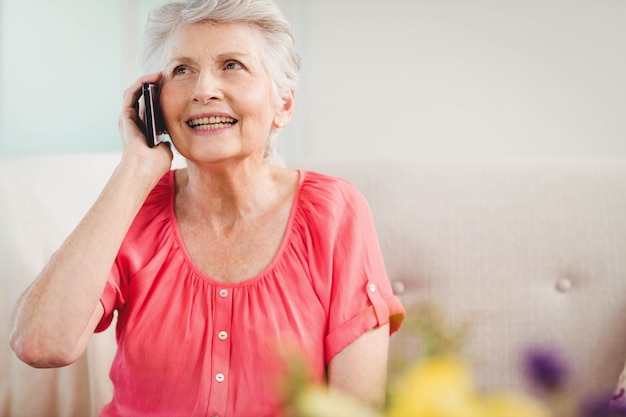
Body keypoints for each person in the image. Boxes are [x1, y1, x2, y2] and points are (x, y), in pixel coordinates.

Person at [9, 0, 405, 415]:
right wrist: (135, 169)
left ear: (283, 104)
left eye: (232, 65)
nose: (203, 90)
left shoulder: (335, 212)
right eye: (182, 70)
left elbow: (357, 407)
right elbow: (40, 344)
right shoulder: (134, 209)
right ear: (155, 101)